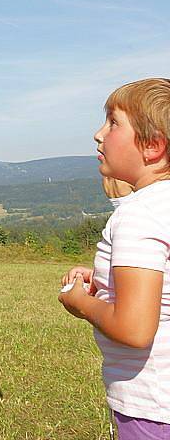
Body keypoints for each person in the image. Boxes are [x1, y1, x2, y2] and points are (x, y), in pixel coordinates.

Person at [59, 78, 170, 439]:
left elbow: (134, 329)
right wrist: (104, 280)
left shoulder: (139, 215)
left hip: (151, 405)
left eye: (113, 122)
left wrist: (81, 304)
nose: (98, 133)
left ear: (153, 146)